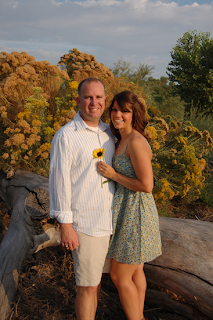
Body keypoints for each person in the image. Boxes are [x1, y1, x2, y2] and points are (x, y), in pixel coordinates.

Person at [48, 77, 115, 320]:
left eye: (98, 97)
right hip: (86, 224)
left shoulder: (109, 133)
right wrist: (66, 225)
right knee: (86, 286)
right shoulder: (66, 136)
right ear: (78, 100)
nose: (93, 102)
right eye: (88, 97)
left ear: (105, 101)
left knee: (95, 283)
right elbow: (59, 182)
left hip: (110, 222)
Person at [97, 90, 162, 320]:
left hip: (137, 214)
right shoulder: (121, 139)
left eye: (124, 110)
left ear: (134, 114)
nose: (117, 114)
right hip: (127, 211)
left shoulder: (135, 141)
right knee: (135, 271)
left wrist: (114, 175)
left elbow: (147, 185)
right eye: (114, 109)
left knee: (118, 276)